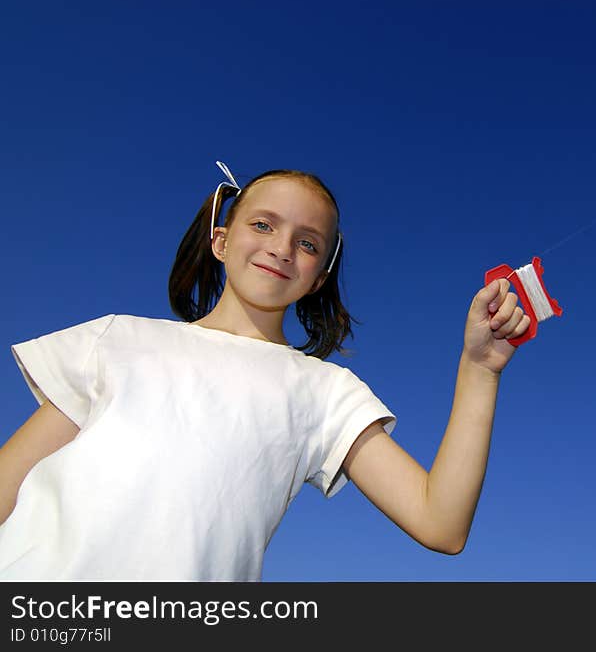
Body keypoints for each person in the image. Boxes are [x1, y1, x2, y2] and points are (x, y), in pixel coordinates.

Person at [0, 161, 530, 581]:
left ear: (319, 277)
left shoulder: (324, 391)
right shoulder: (116, 339)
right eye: (263, 224)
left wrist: (479, 369)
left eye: (307, 243)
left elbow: (440, 523)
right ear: (222, 240)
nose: (282, 247)